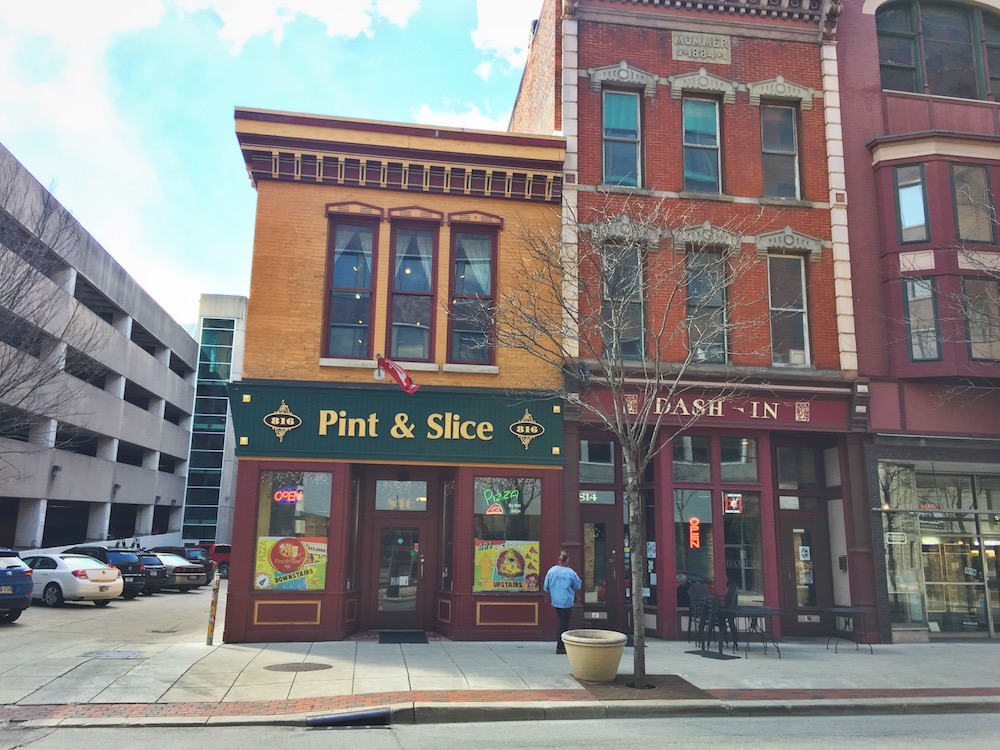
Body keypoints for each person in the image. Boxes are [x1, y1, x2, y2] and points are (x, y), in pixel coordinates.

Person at [543, 549, 582, 654]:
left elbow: (546, 587)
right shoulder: (570, 572)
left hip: (555, 601)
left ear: (558, 559)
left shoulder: (551, 571)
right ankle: (561, 647)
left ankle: (561, 646)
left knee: (562, 622)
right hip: (566, 601)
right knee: (564, 624)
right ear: (567, 560)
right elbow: (578, 585)